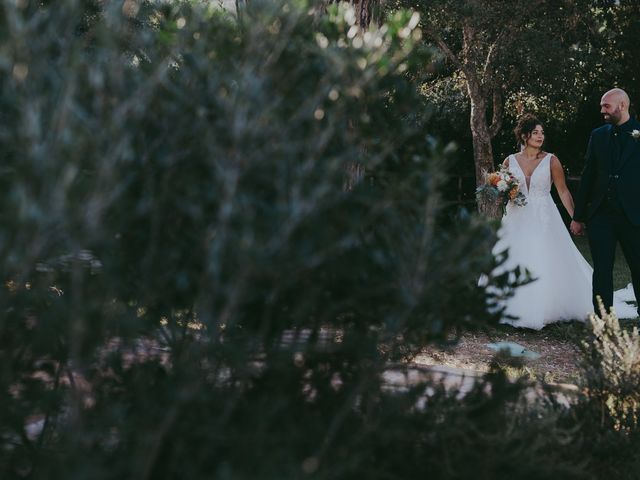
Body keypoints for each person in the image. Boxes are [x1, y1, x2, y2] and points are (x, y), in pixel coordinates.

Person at [491, 114, 636, 330]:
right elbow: (502, 191)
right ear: (524, 135)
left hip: (544, 216)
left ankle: (544, 307)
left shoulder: (551, 160)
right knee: (513, 256)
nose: (540, 136)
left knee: (542, 257)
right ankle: (508, 306)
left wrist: (576, 218)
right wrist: (502, 192)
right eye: (535, 132)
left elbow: (563, 192)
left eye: (542, 132)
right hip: (516, 216)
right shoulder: (509, 161)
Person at [571, 88, 640, 317]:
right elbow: (588, 175)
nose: (602, 110)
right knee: (601, 271)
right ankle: (604, 321)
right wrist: (578, 216)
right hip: (601, 215)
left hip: (634, 216)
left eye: (606, 106)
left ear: (622, 105)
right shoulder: (598, 135)